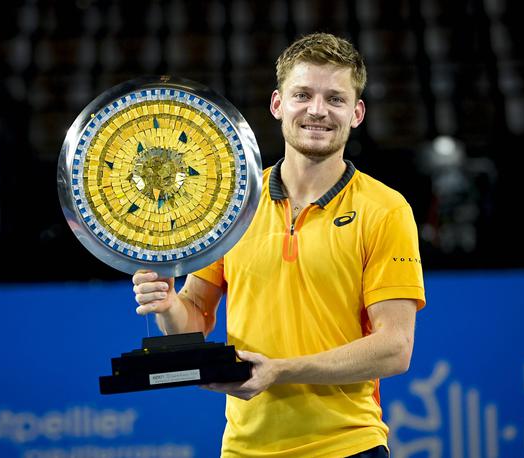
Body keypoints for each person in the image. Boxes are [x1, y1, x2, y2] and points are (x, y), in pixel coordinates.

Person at [132, 33, 426, 458]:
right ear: (277, 104)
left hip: (347, 446)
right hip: (243, 448)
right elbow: (193, 319)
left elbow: (395, 348)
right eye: (302, 95)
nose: (318, 111)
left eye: (335, 99)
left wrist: (281, 371)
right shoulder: (232, 205)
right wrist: (167, 305)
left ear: (357, 113)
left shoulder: (386, 209)